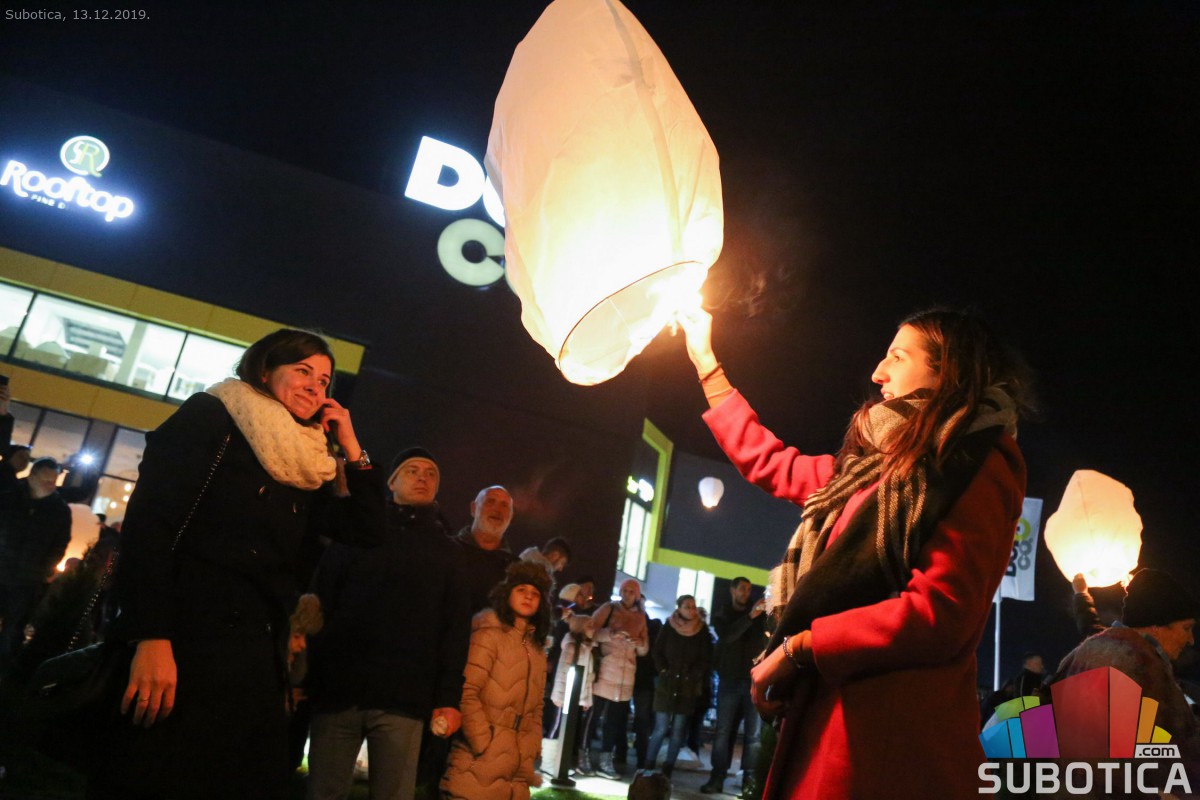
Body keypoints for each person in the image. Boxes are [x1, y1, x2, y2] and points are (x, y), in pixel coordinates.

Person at [679, 306, 1030, 799]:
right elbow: (773, 463)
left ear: (947, 372)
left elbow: (940, 614)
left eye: (898, 357)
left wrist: (802, 648)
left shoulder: (976, 463)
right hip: (836, 721)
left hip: (888, 744)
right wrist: (706, 364)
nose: (878, 373)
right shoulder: (873, 470)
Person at [89, 329, 384, 800]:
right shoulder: (212, 416)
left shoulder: (309, 460)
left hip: (255, 652)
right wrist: (150, 636)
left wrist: (352, 448)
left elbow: (368, 531)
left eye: (324, 381)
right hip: (184, 636)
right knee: (155, 775)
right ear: (264, 370)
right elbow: (150, 528)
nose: (315, 386)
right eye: (303, 371)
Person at [305, 446, 470, 800]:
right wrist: (309, 673)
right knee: (324, 791)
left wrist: (448, 698)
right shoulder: (358, 533)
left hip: (404, 696)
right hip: (340, 688)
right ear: (391, 482)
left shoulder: (449, 553)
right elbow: (322, 600)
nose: (423, 478)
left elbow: (455, 630)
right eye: (413, 470)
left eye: (431, 474)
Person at [1052, 568, 1200, 785]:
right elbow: (1170, 751)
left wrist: (1081, 595)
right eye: (1186, 628)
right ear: (1157, 627)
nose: (1191, 640)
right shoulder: (1142, 667)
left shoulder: (1098, 649)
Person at [442, 560, 551, 800]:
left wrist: (532, 746)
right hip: (479, 762)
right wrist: (482, 741)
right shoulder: (489, 635)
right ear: (507, 593)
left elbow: (537, 708)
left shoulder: (537, 651)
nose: (528, 596)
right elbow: (467, 691)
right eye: (521, 589)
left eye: (535, 593)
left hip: (516, 768)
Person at [0, 456, 71, 669]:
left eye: (54, 481)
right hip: (5, 569)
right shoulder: (8, 497)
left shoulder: (59, 510)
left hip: (27, 579)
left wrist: (45, 569)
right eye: (46, 480)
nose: (51, 485)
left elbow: (60, 543)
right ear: (32, 477)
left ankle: (4, 669)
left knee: (14, 628)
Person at [701, 578, 767, 797]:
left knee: (753, 735)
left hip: (752, 681)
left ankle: (749, 781)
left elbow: (766, 637)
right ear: (732, 590)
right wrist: (749, 617)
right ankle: (717, 776)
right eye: (741, 589)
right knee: (723, 731)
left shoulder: (759, 616)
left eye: (748, 589)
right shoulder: (723, 614)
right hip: (729, 680)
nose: (745, 593)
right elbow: (728, 635)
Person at [582, 578, 649, 779]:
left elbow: (644, 650)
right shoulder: (608, 608)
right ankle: (583, 756)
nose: (627, 594)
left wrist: (638, 643)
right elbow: (590, 631)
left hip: (625, 677)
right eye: (625, 590)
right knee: (593, 717)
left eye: (632, 591)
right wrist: (610, 635)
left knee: (614, 722)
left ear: (637, 596)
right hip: (605, 672)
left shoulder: (641, 617)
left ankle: (605, 761)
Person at [646, 594, 713, 777]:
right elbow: (658, 650)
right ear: (679, 608)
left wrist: (693, 675)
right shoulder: (669, 625)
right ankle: (647, 766)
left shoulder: (701, 630)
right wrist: (663, 670)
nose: (691, 610)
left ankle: (667, 769)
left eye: (693, 606)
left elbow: (705, 658)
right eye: (687, 606)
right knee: (660, 728)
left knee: (678, 730)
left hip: (686, 686)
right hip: (667, 684)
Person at [455, 485, 518, 614]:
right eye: (490, 501)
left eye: (504, 505)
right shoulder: (446, 552)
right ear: (473, 508)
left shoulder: (517, 570)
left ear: (511, 516)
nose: (497, 509)